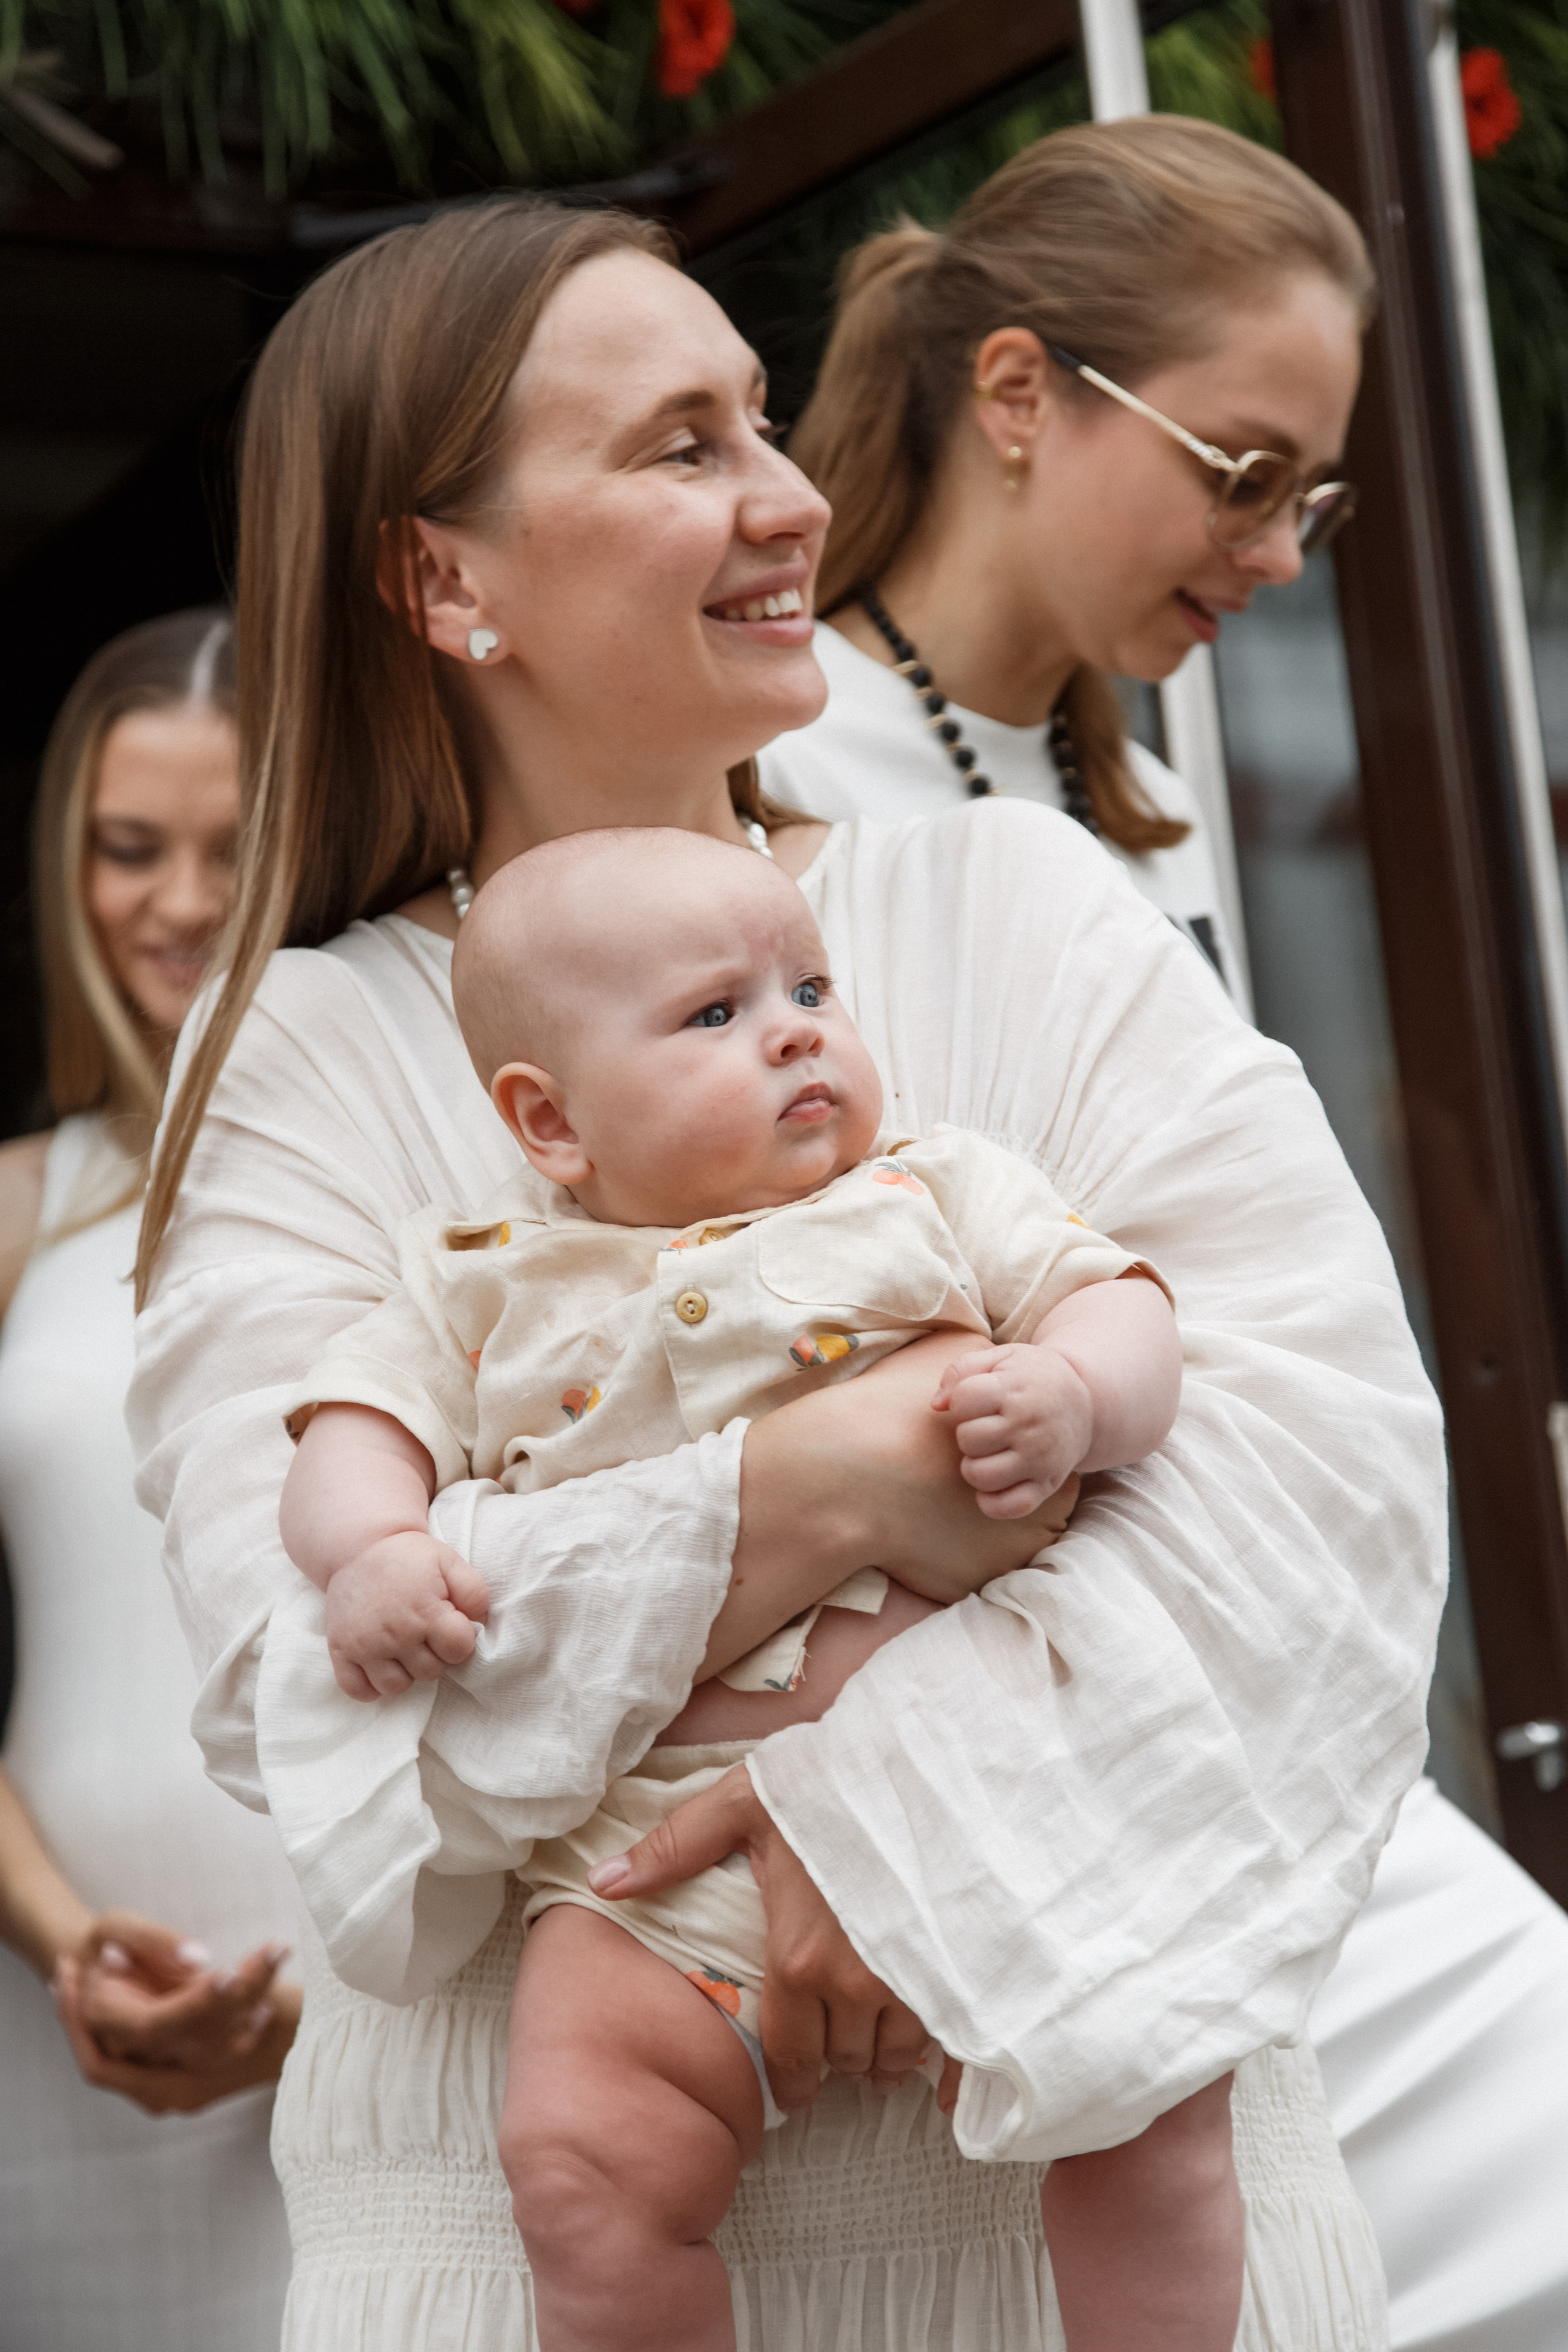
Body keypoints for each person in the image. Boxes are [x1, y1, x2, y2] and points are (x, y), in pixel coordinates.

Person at [127, 152, 1439, 2349]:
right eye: (681, 448)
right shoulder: (303, 1052)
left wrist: (887, 1815)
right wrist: (844, 1474)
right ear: (445, 577)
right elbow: (328, 1706)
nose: (794, 499)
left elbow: (1326, 1491)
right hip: (525, 2235)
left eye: (759, 417)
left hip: (1092, 2205)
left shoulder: (1021, 905)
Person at [757, 119, 1568, 2352]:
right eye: (1243, 472)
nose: (1280, 552)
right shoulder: (779, 788)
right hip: (1001, 1720)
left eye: (1317, 500)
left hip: (1215, 1688)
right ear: (1020, 392)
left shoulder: (1136, 815)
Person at [276, 828, 1233, 2352]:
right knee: (578, 2165)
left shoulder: (932, 1186)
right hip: (655, 1856)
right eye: (714, 1013)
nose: (793, 1032)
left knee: (1155, 2084)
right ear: (549, 1120)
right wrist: (373, 1549)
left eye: (810, 989)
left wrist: (1074, 1392)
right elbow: (350, 1434)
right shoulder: (479, 1281)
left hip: (995, 1782)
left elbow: (1122, 1310)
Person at [0, 609, 301, 2352]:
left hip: (383, 2005)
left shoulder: (429, 1168)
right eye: (128, 848)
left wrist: (345, 1996)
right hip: (61, 2018)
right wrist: (68, 1943)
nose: (179, 902)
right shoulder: (18, 1208)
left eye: (230, 846)